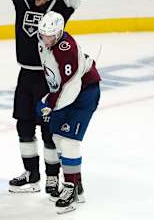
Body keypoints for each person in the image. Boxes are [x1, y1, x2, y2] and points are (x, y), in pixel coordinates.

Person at [0, 0, 94, 194]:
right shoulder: (24, 1)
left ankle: (52, 176)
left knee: (48, 130)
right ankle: (32, 173)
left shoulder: (60, 8)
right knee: (23, 125)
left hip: (47, 78)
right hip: (25, 75)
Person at [35, 12, 101, 214]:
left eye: (50, 35)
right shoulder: (45, 43)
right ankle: (77, 185)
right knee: (57, 137)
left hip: (83, 94)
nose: (46, 39)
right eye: (43, 34)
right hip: (66, 94)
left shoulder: (66, 50)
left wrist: (49, 104)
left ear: (59, 33)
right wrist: (50, 100)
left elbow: (71, 87)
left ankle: (70, 188)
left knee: (70, 140)